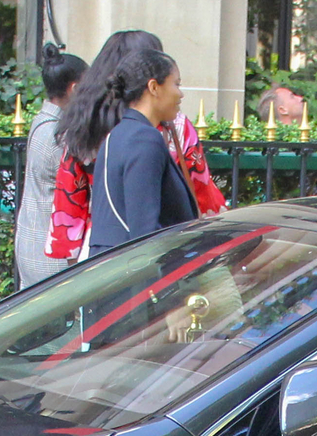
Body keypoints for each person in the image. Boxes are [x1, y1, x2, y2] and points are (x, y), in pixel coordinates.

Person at [48, 30, 224, 262]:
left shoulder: (84, 121)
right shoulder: (173, 124)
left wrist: (71, 254)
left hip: (101, 244)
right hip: (158, 250)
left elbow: (70, 194)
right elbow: (199, 186)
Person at [15, 50, 85, 289]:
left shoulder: (42, 121)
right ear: (74, 88)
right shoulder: (59, 134)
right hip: (50, 253)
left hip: (32, 242)